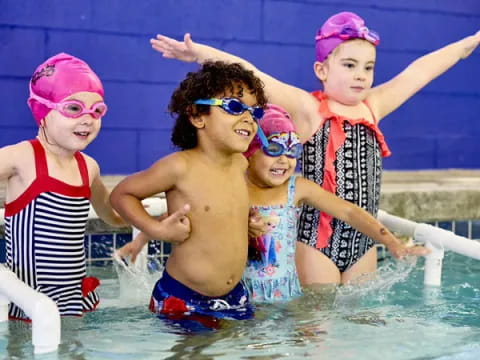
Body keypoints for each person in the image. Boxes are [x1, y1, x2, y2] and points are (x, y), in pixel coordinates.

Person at [150, 12, 480, 285]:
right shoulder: (309, 109)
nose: (361, 76)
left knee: (362, 323)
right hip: (316, 241)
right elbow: (254, 74)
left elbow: (420, 72)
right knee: (317, 326)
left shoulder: (374, 106)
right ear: (322, 70)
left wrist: (468, 43)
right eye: (349, 65)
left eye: (368, 67)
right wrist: (200, 54)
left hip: (361, 240)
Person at [110, 61, 268, 329]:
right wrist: (157, 231)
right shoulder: (179, 167)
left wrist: (247, 224)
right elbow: (121, 195)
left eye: (255, 111)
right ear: (197, 115)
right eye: (234, 107)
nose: (248, 118)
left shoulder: (241, 163)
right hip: (185, 298)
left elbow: (218, 212)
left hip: (234, 295)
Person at [242, 104, 428, 303]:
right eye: (273, 149)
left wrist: (392, 242)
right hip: (245, 297)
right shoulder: (235, 189)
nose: (284, 160)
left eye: (292, 151)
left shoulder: (296, 188)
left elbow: (348, 212)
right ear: (250, 151)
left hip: (288, 296)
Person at [0, 53, 128, 320]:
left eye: (97, 111)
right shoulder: (22, 158)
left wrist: (148, 218)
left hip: (72, 300)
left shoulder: (88, 167)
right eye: (73, 108)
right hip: (27, 301)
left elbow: (111, 216)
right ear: (42, 111)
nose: (87, 119)